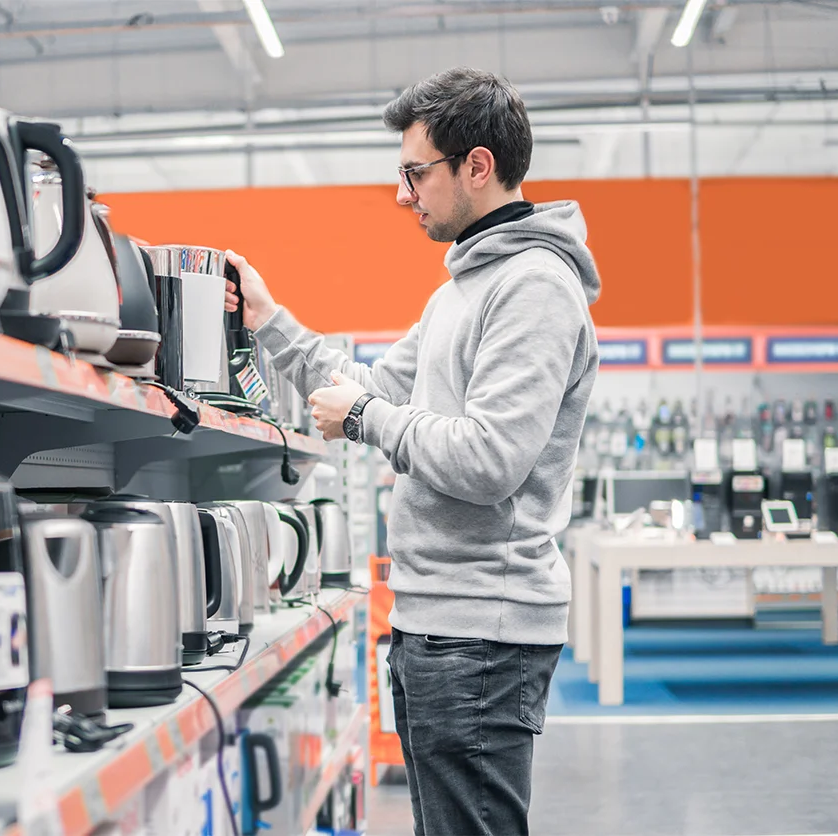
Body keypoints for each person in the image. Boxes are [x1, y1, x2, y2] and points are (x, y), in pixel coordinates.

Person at [224, 66, 600, 836]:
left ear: (477, 167)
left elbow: (491, 460)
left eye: (415, 173)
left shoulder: (533, 287)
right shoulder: (458, 290)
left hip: (483, 637)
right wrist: (268, 319)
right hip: (441, 628)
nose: (403, 195)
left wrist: (364, 417)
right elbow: (370, 383)